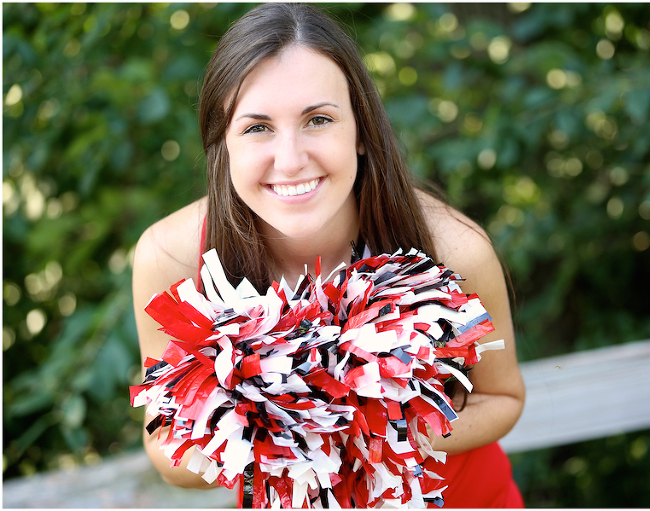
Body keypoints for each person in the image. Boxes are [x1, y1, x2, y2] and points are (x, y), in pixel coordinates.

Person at [132, 3, 525, 507]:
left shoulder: (455, 249)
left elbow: (501, 399)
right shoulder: (172, 258)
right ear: (222, 144)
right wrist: (287, 439)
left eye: (318, 120)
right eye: (257, 127)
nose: (291, 160)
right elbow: (165, 443)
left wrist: (377, 432)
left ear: (361, 131)